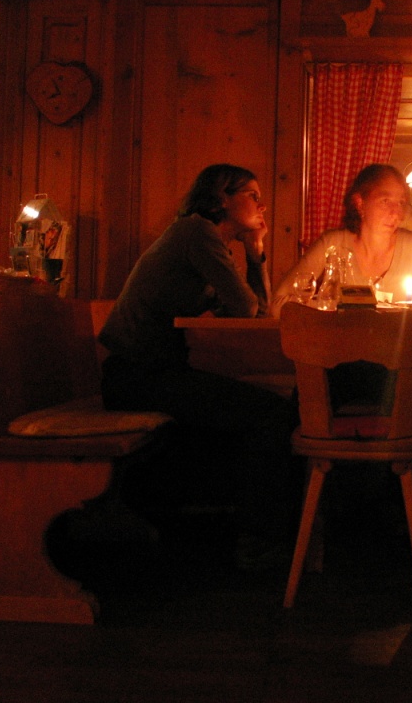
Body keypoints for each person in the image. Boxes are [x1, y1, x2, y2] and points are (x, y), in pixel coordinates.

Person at [98, 163, 299, 571]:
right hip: (136, 376)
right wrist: (253, 253)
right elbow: (246, 308)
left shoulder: (210, 244)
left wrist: (255, 252)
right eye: (253, 196)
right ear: (222, 197)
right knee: (273, 413)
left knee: (264, 409)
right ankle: (258, 541)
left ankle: (241, 534)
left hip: (148, 373)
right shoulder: (197, 232)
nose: (262, 206)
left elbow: (255, 313)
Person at [271, 163, 412, 317]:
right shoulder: (332, 244)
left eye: (401, 202)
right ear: (359, 203)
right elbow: (278, 304)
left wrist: (409, 311)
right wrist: (331, 306)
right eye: (385, 201)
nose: (396, 213)